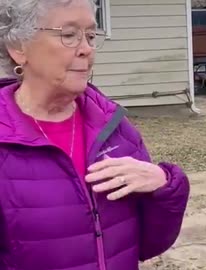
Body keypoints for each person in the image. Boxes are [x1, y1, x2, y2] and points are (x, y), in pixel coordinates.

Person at [0, 0, 190, 269]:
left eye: (90, 35)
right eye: (69, 35)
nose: (86, 49)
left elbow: (149, 244)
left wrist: (165, 186)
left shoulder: (115, 128)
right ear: (18, 47)